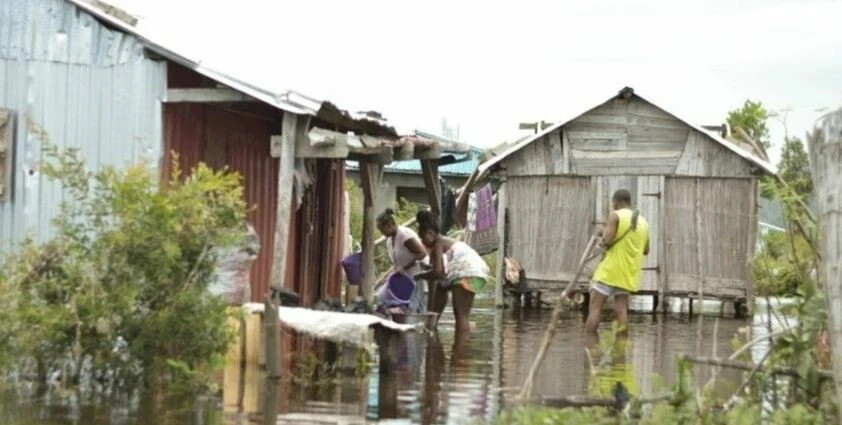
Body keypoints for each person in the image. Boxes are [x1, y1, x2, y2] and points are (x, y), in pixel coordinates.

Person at [585, 189, 649, 343]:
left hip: (610, 271)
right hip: (628, 272)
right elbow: (646, 250)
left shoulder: (616, 215)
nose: (613, 206)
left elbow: (606, 241)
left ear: (616, 202)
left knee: (595, 307)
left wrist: (603, 234)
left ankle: (589, 344)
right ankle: (621, 347)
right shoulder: (644, 222)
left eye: (613, 203)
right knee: (621, 310)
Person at [413, 210, 489, 332]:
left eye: (422, 237)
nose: (422, 242)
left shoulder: (439, 242)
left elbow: (438, 272)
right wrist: (427, 272)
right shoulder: (440, 243)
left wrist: (419, 276)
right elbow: (437, 272)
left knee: (461, 314)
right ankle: (433, 323)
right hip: (473, 271)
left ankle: (460, 348)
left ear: (430, 233)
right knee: (442, 287)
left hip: (468, 272)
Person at [375, 208, 429, 313]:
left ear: (390, 225)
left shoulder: (404, 235)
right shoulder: (390, 240)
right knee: (381, 301)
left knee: (416, 310)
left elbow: (422, 253)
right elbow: (397, 264)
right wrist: (388, 276)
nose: (382, 233)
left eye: (382, 230)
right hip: (404, 279)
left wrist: (405, 268)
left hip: (416, 277)